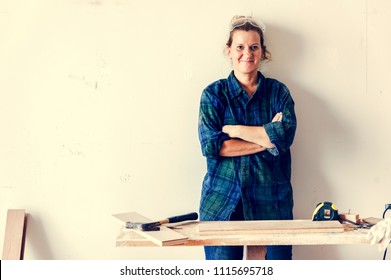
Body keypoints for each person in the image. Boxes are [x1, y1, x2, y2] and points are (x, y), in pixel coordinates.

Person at [197, 15, 297, 260]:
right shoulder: (213, 94)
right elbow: (213, 147)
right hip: (222, 205)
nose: (247, 53)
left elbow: (284, 137)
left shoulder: (278, 92)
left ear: (263, 52)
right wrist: (266, 139)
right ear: (229, 51)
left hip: (272, 204)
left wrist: (235, 130)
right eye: (240, 47)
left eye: (254, 47)